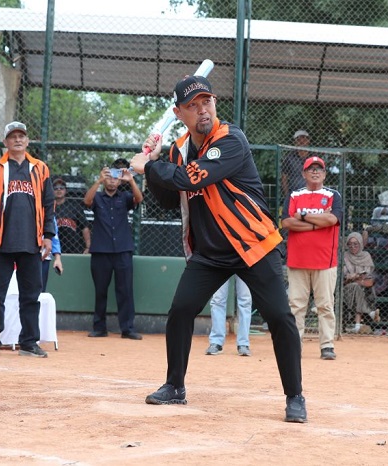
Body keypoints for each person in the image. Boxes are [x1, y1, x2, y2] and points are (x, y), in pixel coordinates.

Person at [129, 75, 306, 423]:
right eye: (192, 106)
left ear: (214, 103)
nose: (202, 110)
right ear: (179, 113)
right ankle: (175, 386)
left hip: (252, 245)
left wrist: (148, 165)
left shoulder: (230, 139)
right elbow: (169, 199)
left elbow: (190, 178)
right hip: (210, 253)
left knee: (279, 317)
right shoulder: (179, 150)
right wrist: (156, 163)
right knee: (181, 311)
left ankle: (295, 396)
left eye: (206, 102)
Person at [0, 121, 61, 358]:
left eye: (21, 136)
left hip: (31, 242)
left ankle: (29, 342)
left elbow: (49, 205)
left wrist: (48, 236)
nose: (17, 140)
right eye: (12, 136)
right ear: (5, 142)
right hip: (0, 241)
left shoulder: (40, 168)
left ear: (27, 140)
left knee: (31, 295)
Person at [282, 156, 343, 361]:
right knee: (296, 306)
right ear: (303, 173)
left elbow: (332, 219)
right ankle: (294, 345)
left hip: (325, 260)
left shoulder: (333, 195)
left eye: (319, 169)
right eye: (311, 169)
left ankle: (327, 345)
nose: (315, 172)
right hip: (297, 260)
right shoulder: (294, 195)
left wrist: (303, 216)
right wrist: (318, 223)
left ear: (324, 174)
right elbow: (287, 223)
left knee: (325, 305)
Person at [83, 162, 143, 340]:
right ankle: (99, 327)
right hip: (101, 251)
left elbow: (139, 199)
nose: (111, 181)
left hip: (123, 250)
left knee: (125, 291)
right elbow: (87, 201)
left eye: (115, 178)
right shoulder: (97, 197)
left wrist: (131, 180)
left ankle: (127, 329)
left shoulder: (124, 197)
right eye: (108, 177)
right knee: (100, 290)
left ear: (119, 181)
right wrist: (98, 181)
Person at [205, 275, 253, 356]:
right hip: (222, 266)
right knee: (218, 299)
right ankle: (216, 342)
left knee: (245, 300)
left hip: (244, 266)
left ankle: (243, 343)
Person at [343, 232, 380, 333]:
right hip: (347, 287)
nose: (353, 246)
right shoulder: (345, 256)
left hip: (364, 286)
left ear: (360, 243)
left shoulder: (366, 255)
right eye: (350, 244)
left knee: (357, 287)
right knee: (355, 287)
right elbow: (343, 276)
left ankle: (357, 326)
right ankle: (370, 313)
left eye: (356, 244)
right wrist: (351, 277)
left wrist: (355, 277)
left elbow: (368, 276)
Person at [52, 176, 90, 254]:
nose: (59, 190)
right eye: (56, 188)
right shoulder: (48, 207)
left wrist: (88, 247)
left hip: (74, 248)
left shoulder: (74, 206)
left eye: (61, 188)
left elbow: (84, 227)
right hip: (54, 248)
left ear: (65, 190)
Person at [280, 129, 311, 198]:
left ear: (308, 141)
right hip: (295, 194)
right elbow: (284, 178)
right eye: (298, 139)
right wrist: (287, 196)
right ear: (295, 142)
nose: (301, 141)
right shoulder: (289, 158)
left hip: (311, 193)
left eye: (304, 139)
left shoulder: (314, 157)